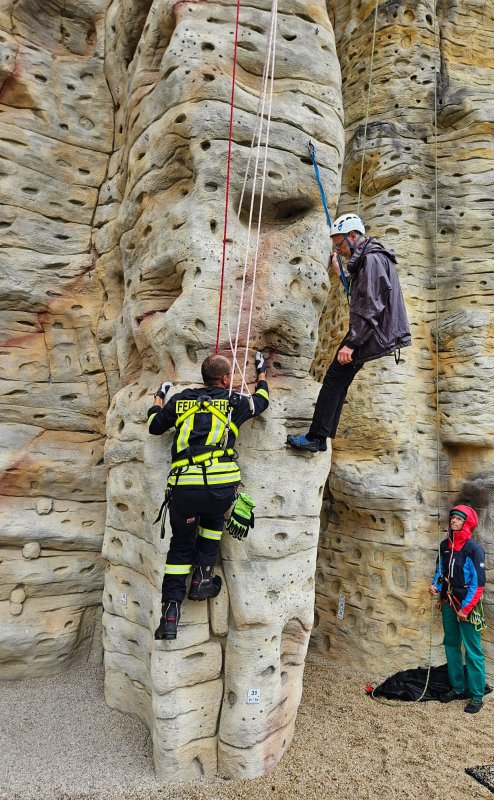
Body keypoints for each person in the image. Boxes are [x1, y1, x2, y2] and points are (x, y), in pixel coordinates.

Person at [148, 352, 269, 640]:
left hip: (184, 489)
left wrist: (159, 396)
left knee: (179, 547)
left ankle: (169, 616)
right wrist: (261, 372)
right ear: (226, 378)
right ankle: (202, 577)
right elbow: (262, 401)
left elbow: (154, 425)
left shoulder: (180, 400)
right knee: (214, 521)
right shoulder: (234, 401)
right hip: (219, 489)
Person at [286, 213, 411, 453]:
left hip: (368, 331)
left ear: (354, 236)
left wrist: (351, 344)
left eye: (341, 244)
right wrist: (341, 271)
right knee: (339, 381)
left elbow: (370, 306)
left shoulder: (372, 260)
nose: (339, 249)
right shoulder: (370, 259)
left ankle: (316, 437)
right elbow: (361, 295)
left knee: (334, 380)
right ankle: (320, 437)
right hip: (371, 330)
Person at [429, 505, 487, 713]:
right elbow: (440, 571)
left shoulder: (473, 549)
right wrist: (436, 586)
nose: (453, 521)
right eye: (452, 518)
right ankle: (457, 687)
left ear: (467, 523)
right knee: (451, 645)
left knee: (473, 651)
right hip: (448, 603)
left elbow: (478, 584)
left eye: (458, 519)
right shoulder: (445, 546)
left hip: (466, 607)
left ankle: (477, 695)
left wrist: (466, 608)